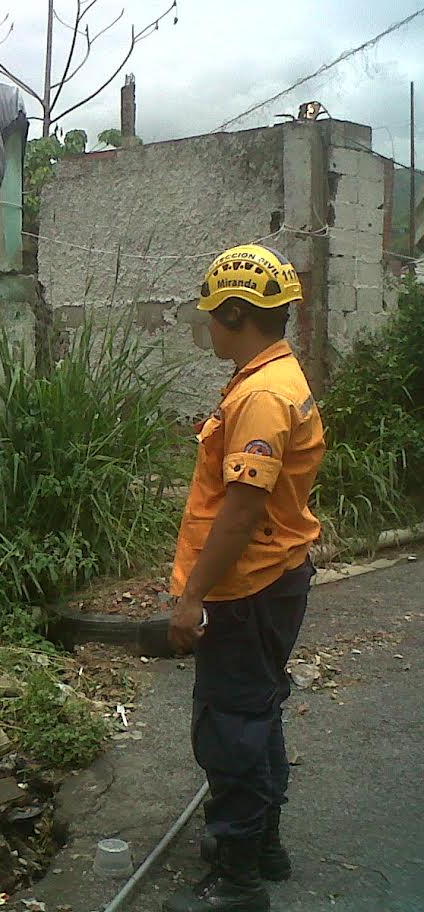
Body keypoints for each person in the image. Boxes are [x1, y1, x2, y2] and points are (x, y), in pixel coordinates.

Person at [164, 244, 326, 912]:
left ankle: (238, 882)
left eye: (213, 316)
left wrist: (192, 596)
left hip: (245, 586)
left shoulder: (260, 396)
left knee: (229, 726)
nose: (208, 327)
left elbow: (241, 509)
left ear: (237, 313)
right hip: (275, 576)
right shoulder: (275, 375)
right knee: (257, 709)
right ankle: (263, 844)